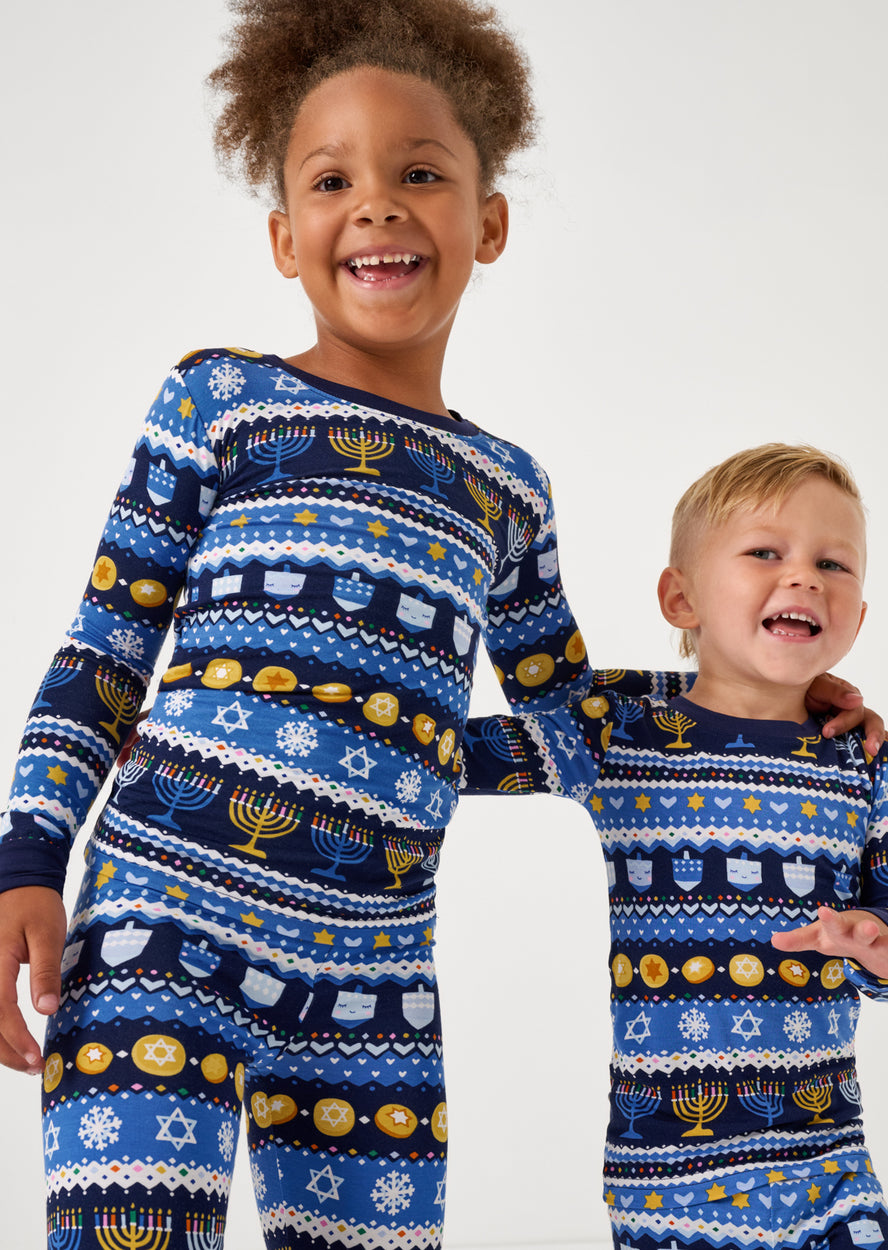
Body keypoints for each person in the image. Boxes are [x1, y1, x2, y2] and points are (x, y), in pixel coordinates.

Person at [0, 3, 596, 1245]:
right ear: (285, 236)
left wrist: (769, 695)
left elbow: (571, 726)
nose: (376, 206)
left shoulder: (506, 487)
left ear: (487, 221)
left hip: (376, 988)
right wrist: (24, 855)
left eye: (419, 173)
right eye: (333, 180)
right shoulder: (221, 400)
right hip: (158, 933)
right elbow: (106, 646)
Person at [460, 443, 888, 1250]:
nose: (805, 578)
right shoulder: (620, 733)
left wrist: (879, 945)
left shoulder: (866, 761)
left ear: (857, 617)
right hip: (669, 1176)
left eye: (834, 563)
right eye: (764, 553)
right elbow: (448, 756)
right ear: (680, 598)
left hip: (828, 1165)